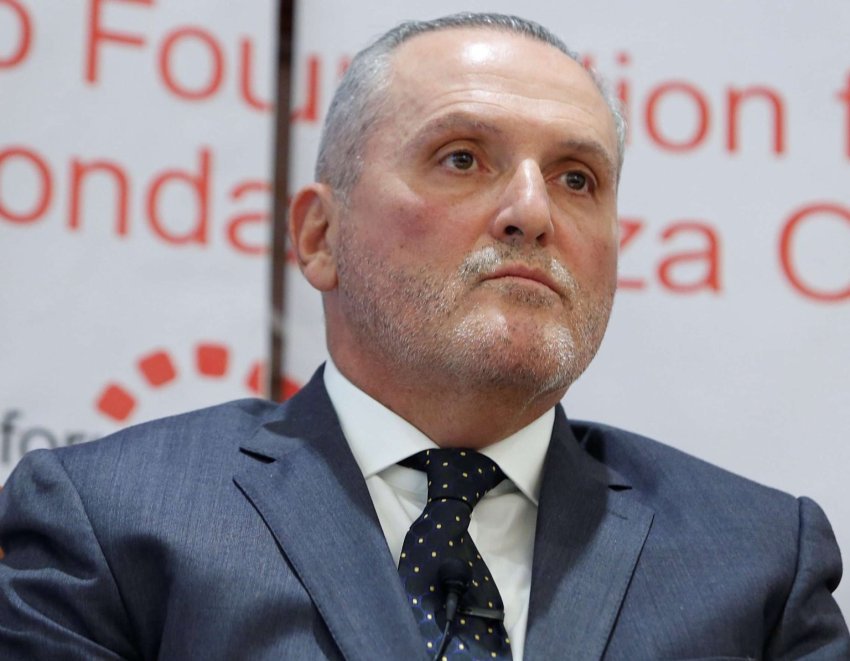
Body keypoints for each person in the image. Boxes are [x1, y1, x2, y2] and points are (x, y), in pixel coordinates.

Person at [1, 12, 848, 660]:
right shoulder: (111, 525)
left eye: (576, 177)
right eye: (462, 158)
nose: (532, 212)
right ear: (320, 236)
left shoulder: (759, 562)